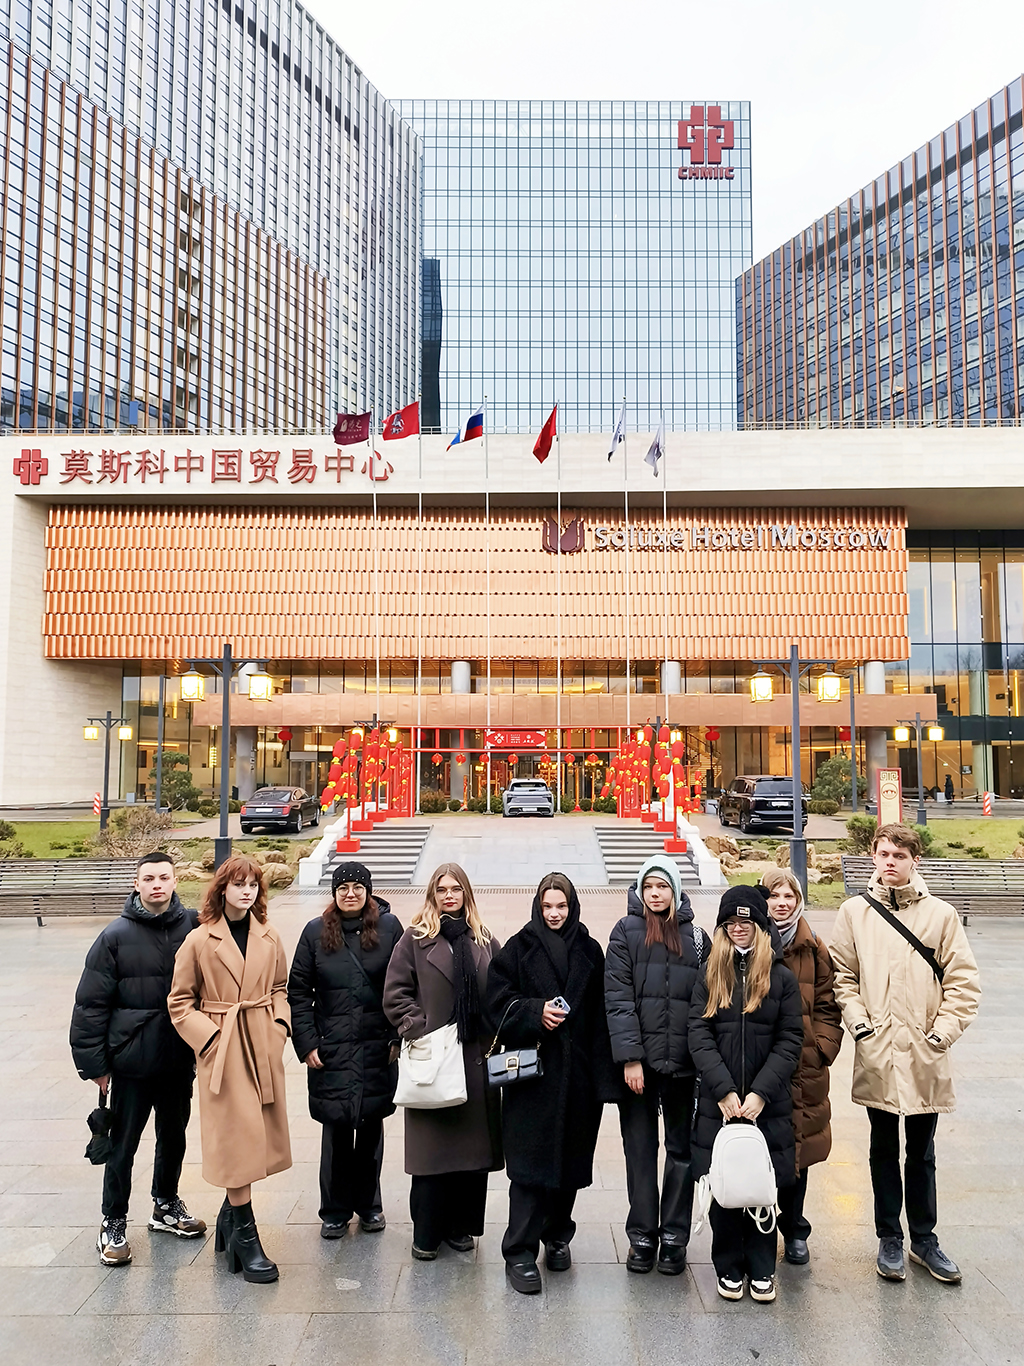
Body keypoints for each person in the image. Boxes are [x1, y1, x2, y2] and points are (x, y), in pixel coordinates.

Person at [830, 822, 981, 1285]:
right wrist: (861, 1024)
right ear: (873, 858)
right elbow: (842, 976)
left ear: (915, 859)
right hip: (878, 1047)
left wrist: (941, 1033)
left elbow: (963, 982)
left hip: (923, 1049)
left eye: (899, 855)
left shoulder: (941, 915)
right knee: (881, 1148)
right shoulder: (854, 912)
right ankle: (889, 1237)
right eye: (883, 854)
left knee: (922, 1150)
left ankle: (925, 1239)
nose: (890, 862)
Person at [70, 850, 206, 1267]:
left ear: (175, 881)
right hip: (131, 1061)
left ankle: (165, 1204)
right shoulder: (114, 936)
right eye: (148, 879)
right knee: (122, 1146)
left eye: (164, 877)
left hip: (178, 1058)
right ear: (136, 884)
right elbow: (90, 1005)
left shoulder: (194, 926)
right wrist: (95, 1066)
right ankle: (112, 1221)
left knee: (174, 1137)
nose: (157, 885)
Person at [486, 872, 618, 1293]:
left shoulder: (590, 950)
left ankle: (557, 1236)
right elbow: (496, 1002)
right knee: (529, 1170)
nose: (555, 913)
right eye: (548, 906)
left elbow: (601, 1017)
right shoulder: (519, 948)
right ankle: (519, 1251)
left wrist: (603, 1081)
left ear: (572, 906)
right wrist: (533, 1012)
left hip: (578, 1079)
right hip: (533, 1080)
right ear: (538, 907)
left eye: (561, 906)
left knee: (571, 1166)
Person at [168, 854, 291, 1283]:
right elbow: (179, 1002)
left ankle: (227, 1218)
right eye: (238, 884)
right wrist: (210, 1039)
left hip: (260, 1044)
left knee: (257, 1139)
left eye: (253, 885)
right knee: (237, 1143)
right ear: (222, 889)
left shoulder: (269, 935)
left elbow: (280, 987)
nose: (246, 891)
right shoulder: (199, 940)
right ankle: (246, 1236)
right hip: (222, 1049)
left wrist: (278, 1028)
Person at [688, 886, 804, 1303]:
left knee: (760, 1185)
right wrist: (722, 1088)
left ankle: (761, 1266)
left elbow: (790, 1039)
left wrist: (760, 1093)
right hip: (719, 1103)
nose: (738, 929)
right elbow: (698, 1032)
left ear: (759, 925)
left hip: (764, 1104)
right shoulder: (710, 973)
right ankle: (728, 1265)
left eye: (746, 921)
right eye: (730, 923)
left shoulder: (780, 976)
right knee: (724, 1181)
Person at [383, 862, 502, 1259]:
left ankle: (460, 1227)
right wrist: (417, 1027)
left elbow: (501, 989)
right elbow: (395, 991)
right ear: (432, 895)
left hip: (474, 1059)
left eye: (456, 889)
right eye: (442, 889)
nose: (449, 896)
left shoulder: (484, 939)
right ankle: (427, 1232)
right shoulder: (415, 938)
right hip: (433, 1060)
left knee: (470, 1156)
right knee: (432, 1156)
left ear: (466, 893)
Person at [604, 854, 711, 1275]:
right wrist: (631, 1058)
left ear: (675, 890)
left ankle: (674, 1237)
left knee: (681, 1151)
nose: (654, 894)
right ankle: (643, 1235)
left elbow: (705, 1000)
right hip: (640, 1068)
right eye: (648, 886)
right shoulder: (625, 931)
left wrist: (699, 1057)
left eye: (662, 886)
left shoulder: (696, 937)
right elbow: (618, 998)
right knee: (640, 1151)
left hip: (683, 1065)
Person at [288, 861, 403, 1238]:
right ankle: (335, 1210)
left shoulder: (389, 928)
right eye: (343, 888)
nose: (350, 894)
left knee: (370, 1128)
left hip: (376, 1046)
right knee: (336, 1130)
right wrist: (306, 1042)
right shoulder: (315, 932)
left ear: (368, 891)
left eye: (357, 887)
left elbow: (405, 984)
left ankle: (369, 1206)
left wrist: (396, 1036)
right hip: (331, 1048)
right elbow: (298, 991)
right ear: (334, 893)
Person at [760, 867, 843, 1266]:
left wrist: (821, 1048)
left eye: (788, 896)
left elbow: (829, 1003)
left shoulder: (813, 947)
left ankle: (793, 1228)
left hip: (803, 1064)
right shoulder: (750, 939)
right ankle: (759, 1228)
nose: (782, 903)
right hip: (760, 1064)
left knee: (797, 1148)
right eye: (774, 896)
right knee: (760, 1148)